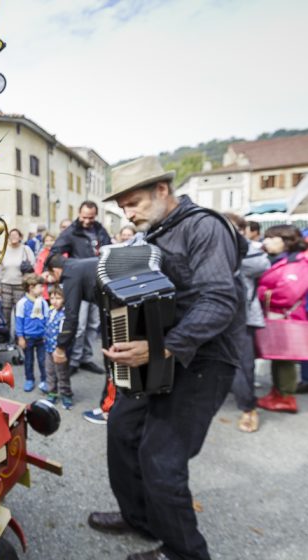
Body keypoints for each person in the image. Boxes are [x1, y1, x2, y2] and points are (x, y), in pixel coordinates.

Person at [88, 156, 244, 560]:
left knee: (160, 458)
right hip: (160, 353)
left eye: (135, 202)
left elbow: (220, 301)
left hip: (204, 359)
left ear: (162, 190)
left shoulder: (203, 226)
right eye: (123, 207)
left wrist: (158, 348)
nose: (129, 212)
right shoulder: (151, 237)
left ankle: (183, 552)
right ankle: (141, 518)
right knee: (122, 432)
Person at [51, 201, 110, 375]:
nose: (87, 221)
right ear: (79, 213)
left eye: (90, 217)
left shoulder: (99, 229)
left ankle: (86, 358)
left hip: (99, 284)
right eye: (84, 217)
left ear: (95, 215)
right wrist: (71, 266)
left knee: (93, 325)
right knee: (79, 325)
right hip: (80, 285)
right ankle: (74, 360)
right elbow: (54, 254)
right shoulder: (71, 232)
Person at [223, 213, 270, 432]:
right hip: (210, 314)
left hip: (241, 317)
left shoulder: (251, 252)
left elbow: (261, 265)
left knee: (244, 365)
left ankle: (248, 407)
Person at [255, 224, 308, 413]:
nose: (266, 241)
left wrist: (261, 292)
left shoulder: (297, 264)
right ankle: (278, 392)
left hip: (287, 318)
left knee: (285, 359)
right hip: (281, 318)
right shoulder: (285, 260)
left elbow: (286, 295)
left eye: (271, 238)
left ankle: (286, 397)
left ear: (285, 241)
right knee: (278, 358)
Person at [44, 254, 99, 380]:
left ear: (56, 270)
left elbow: (71, 315)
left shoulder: (70, 274)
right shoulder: (76, 264)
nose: (55, 279)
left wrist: (61, 347)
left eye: (52, 275)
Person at [14, 274, 49, 393]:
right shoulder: (22, 303)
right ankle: (29, 379)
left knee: (42, 361)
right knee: (28, 361)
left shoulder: (43, 302)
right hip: (27, 338)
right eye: (40, 286)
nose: (43, 289)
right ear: (31, 287)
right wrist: (20, 338)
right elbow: (19, 321)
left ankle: (45, 380)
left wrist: (47, 334)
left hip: (41, 338)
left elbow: (47, 319)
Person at [0, 228, 35, 331]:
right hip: (6, 285)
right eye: (11, 235)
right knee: (6, 313)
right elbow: (0, 269)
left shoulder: (25, 249)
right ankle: (6, 337)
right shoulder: (4, 249)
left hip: (20, 285)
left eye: (16, 235)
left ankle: (19, 336)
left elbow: (32, 265)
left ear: (20, 237)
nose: (13, 237)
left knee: (20, 312)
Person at [44, 286, 71, 409]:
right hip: (49, 348)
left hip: (59, 351)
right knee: (50, 372)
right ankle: (52, 392)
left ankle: (66, 394)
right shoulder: (50, 312)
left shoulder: (65, 314)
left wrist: (62, 350)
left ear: (64, 299)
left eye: (58, 298)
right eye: (52, 298)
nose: (54, 301)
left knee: (62, 374)